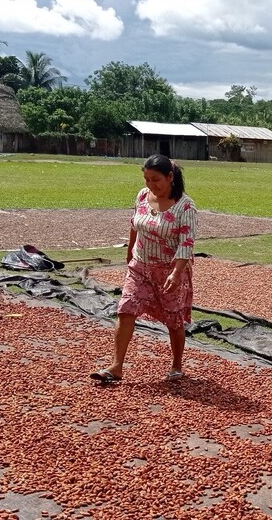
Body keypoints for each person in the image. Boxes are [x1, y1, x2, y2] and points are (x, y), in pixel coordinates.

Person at [91, 154, 197, 383]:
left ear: (170, 177)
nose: (151, 185)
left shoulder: (185, 206)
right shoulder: (142, 196)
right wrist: (129, 256)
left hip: (169, 271)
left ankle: (177, 365)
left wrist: (177, 273)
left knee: (173, 319)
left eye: (156, 180)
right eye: (148, 179)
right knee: (126, 308)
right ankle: (116, 366)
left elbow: (186, 244)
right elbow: (134, 226)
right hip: (140, 266)